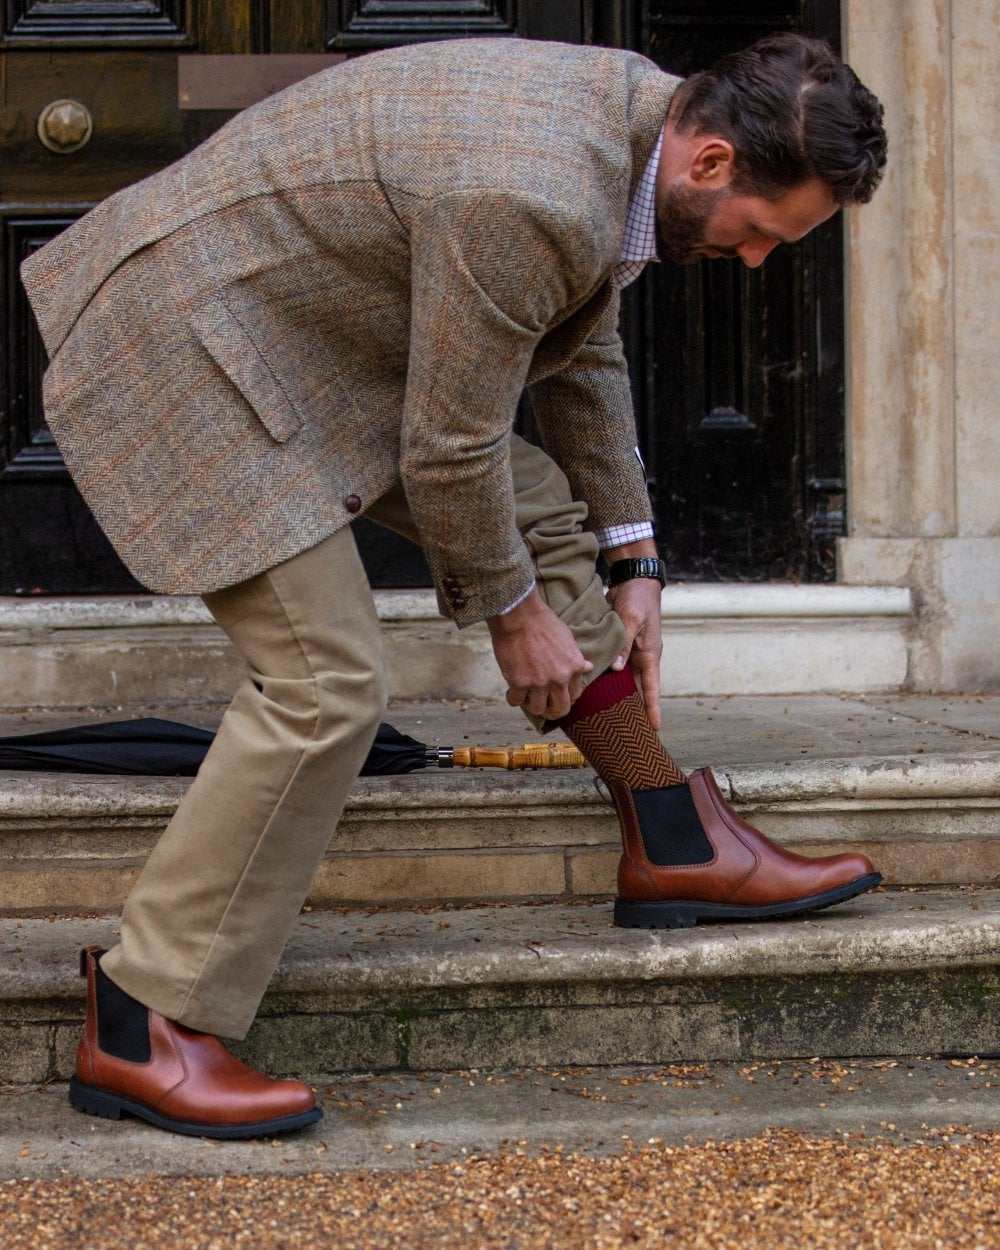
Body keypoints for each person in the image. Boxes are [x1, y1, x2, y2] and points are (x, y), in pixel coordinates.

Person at [21, 31, 888, 1139]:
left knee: (535, 505)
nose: (759, 259)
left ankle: (670, 832)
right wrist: (514, 613)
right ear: (711, 161)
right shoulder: (528, 189)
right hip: (184, 348)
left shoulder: (633, 128)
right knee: (324, 682)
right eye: (764, 233)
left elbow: (578, 351)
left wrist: (635, 558)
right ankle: (144, 1013)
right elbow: (448, 450)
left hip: (302, 334)